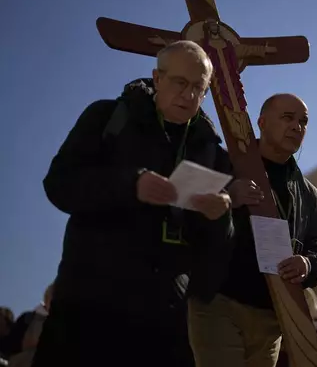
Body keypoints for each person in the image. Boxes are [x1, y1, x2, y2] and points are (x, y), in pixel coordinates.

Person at [33, 40, 234, 367]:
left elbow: (216, 255)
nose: (189, 95)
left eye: (199, 87)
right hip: (88, 309)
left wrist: (219, 218)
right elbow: (59, 184)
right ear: (157, 78)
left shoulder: (213, 154)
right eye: (180, 83)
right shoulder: (106, 117)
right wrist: (130, 184)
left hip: (165, 322)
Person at [187, 93, 317, 367]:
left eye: (303, 122)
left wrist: (307, 264)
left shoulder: (309, 194)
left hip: (270, 317)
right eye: (288, 117)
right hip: (218, 302)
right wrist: (228, 195)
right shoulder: (224, 163)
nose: (297, 126)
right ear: (261, 122)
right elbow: (186, 212)